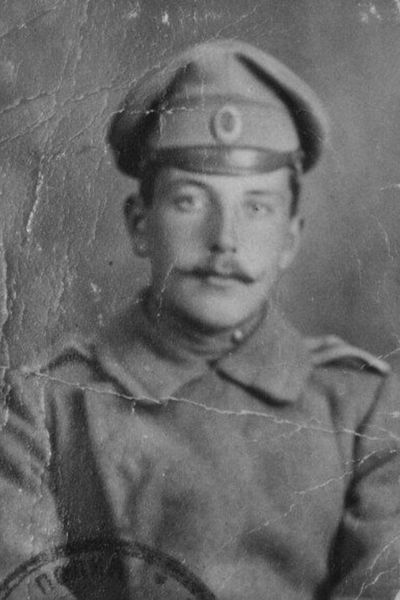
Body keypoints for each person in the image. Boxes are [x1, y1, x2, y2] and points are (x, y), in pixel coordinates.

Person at [1, 39, 400, 599]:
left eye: (256, 207)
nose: (225, 240)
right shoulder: (45, 406)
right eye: (190, 201)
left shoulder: (363, 409)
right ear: (140, 224)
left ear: (290, 238)